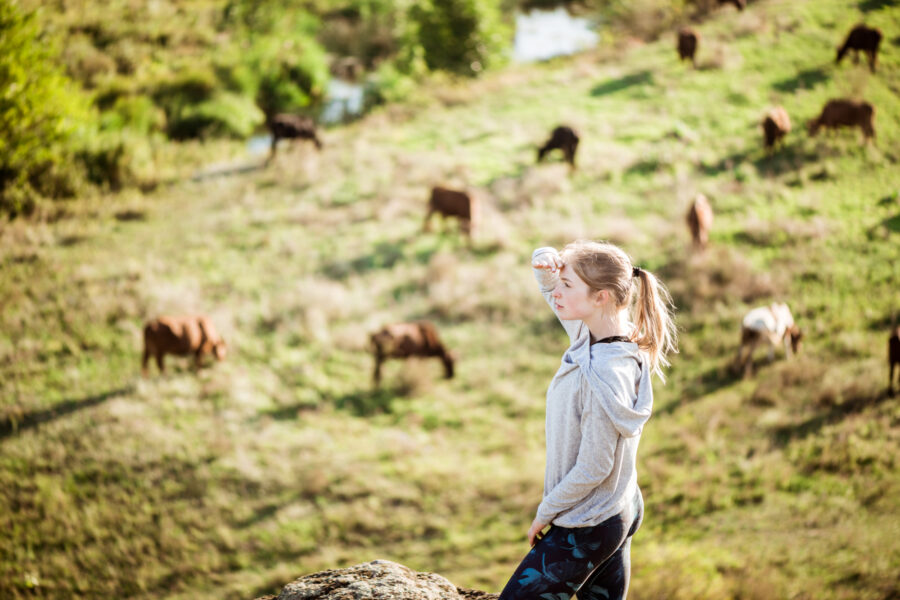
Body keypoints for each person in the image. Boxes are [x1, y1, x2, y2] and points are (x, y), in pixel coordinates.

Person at [498, 241, 677, 600]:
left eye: (567, 285)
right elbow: (552, 293)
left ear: (601, 297)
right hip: (619, 504)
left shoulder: (604, 374)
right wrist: (545, 264)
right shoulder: (605, 338)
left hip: (588, 523)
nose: (557, 293)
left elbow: (595, 466)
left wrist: (546, 512)